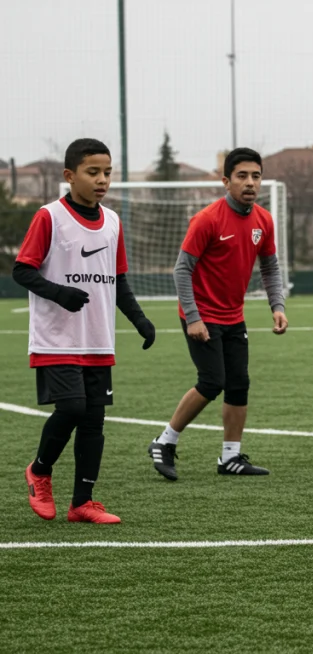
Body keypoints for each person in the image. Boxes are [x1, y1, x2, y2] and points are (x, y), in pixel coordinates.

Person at [15, 138, 156, 523]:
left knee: (94, 421)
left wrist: (139, 320)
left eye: (107, 172)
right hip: (56, 338)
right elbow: (22, 270)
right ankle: (39, 471)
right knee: (73, 408)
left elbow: (119, 280)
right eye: (93, 172)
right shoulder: (49, 217)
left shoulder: (112, 222)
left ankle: (82, 503)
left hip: (97, 339)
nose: (102, 180)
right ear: (69, 175)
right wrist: (59, 293)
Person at [147, 148, 287, 480]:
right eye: (242, 176)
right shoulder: (207, 219)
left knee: (239, 384)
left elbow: (270, 266)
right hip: (200, 313)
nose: (250, 182)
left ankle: (230, 458)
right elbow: (182, 270)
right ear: (226, 181)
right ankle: (164, 442)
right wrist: (193, 318)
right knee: (212, 382)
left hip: (233, 315)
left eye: (255, 175)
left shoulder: (264, 220)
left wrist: (277, 306)